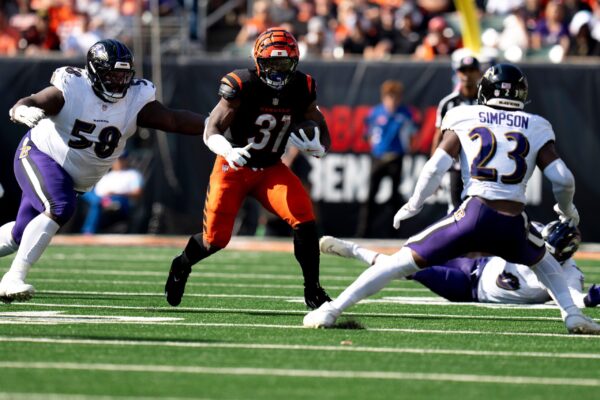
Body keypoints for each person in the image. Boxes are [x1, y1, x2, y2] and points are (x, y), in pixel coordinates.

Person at [304, 63, 600, 334]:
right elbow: (562, 177)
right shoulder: (536, 124)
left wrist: (415, 203)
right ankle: (572, 315)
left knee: (399, 263)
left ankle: (332, 309)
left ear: (485, 91)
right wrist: (567, 208)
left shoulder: (464, 115)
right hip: (513, 221)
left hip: (474, 212)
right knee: (545, 261)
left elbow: (436, 165)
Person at [0, 39, 206, 303]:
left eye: (124, 75)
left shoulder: (135, 98)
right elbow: (36, 100)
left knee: (21, 233)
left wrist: (212, 124)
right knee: (60, 207)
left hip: (73, 177)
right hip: (41, 155)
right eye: (112, 75)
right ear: (95, 72)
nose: (119, 82)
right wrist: (21, 108)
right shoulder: (73, 86)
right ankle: (12, 278)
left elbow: (173, 120)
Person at [164, 27, 332, 310]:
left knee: (304, 219)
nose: (278, 72)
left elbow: (320, 121)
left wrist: (322, 146)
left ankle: (313, 290)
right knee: (215, 240)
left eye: (284, 64)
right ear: (258, 61)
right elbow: (211, 127)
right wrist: (227, 149)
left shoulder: (302, 86)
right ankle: (181, 264)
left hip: (270, 168)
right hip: (234, 167)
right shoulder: (242, 83)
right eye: (272, 64)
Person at [319, 220, 600, 308]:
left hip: (467, 288)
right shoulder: (535, 229)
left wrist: (596, 296)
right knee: (409, 257)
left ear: (564, 255)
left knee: (408, 271)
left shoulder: (568, 273)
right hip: (476, 262)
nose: (542, 252)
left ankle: (354, 251)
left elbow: (577, 299)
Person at [355, 80, 417, 238]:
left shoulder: (405, 114)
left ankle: (393, 233)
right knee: (370, 196)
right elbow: (366, 133)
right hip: (378, 158)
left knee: (395, 197)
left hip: (396, 158)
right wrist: (375, 146)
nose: (393, 101)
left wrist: (406, 149)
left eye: (396, 97)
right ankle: (364, 232)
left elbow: (412, 134)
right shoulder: (376, 112)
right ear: (384, 98)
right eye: (390, 97)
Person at [430, 55, 482, 212]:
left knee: (479, 209)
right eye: (463, 70)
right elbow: (438, 137)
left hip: (481, 166)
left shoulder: (486, 101)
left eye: (471, 70)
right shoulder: (448, 103)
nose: (467, 75)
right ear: (457, 73)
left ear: (479, 73)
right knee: (454, 209)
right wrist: (434, 173)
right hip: (456, 166)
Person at [80, 152, 143, 234]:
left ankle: (88, 232)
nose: (119, 161)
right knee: (86, 193)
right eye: (117, 159)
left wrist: (115, 193)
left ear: (126, 160)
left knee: (96, 202)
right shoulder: (105, 176)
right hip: (102, 199)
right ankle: (89, 231)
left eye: (122, 159)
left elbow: (137, 192)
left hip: (121, 201)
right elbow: (98, 192)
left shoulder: (133, 174)